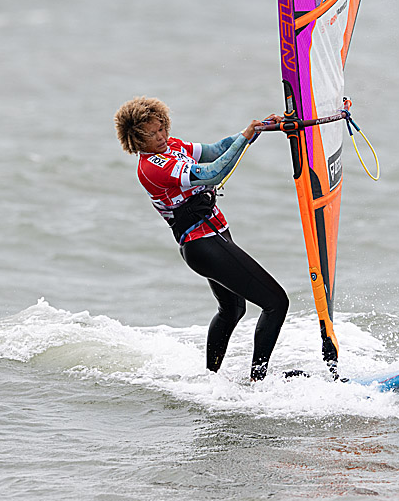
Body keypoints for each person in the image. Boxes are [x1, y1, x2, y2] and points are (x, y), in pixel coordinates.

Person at [114, 96, 289, 382]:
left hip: (216, 234)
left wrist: (258, 129)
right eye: (151, 134)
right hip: (202, 244)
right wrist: (245, 138)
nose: (161, 137)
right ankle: (260, 384)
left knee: (233, 309)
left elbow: (215, 150)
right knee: (276, 303)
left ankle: (211, 381)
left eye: (161, 128)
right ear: (136, 138)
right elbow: (212, 172)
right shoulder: (152, 168)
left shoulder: (173, 146)